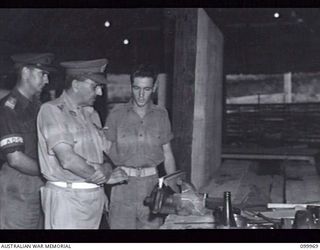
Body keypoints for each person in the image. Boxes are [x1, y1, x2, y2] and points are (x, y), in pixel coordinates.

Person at [37, 58, 127, 229]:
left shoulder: (91, 114)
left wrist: (105, 172)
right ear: (76, 85)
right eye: (95, 86)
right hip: (67, 199)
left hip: (93, 198)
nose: (100, 93)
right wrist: (103, 175)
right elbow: (68, 160)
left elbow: (104, 155)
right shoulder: (52, 111)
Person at [104, 64, 177, 229]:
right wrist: (105, 184)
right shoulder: (116, 114)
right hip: (122, 187)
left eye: (147, 89)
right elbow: (105, 152)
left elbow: (168, 154)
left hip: (152, 187)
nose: (141, 95)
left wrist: (173, 192)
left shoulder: (162, 114)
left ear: (155, 87)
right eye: (137, 88)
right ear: (131, 87)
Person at [0, 53, 55, 229]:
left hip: (38, 186)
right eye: (42, 74)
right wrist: (49, 171)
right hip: (18, 187)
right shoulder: (10, 108)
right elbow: (15, 159)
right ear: (25, 72)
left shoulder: (38, 107)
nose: (46, 81)